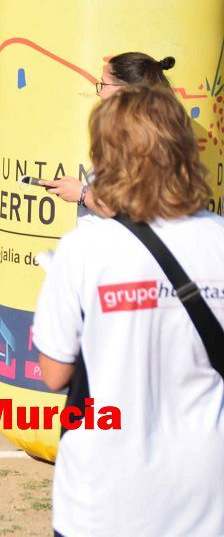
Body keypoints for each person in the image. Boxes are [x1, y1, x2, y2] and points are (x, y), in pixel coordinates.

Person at [33, 84, 224, 537]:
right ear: (182, 149)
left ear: (105, 155)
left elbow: (54, 373)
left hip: (104, 496)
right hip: (207, 491)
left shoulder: (84, 248)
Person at [40, 52, 175, 220]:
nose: (99, 93)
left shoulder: (140, 141)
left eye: (103, 84)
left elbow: (130, 209)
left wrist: (82, 194)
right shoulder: (146, 135)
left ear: (124, 90)